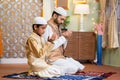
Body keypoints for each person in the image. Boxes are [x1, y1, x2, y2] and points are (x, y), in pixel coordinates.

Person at [42, 7, 85, 74]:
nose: (62, 22)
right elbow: (48, 48)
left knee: (80, 67)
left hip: (59, 57)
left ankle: (54, 68)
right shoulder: (47, 27)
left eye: (63, 20)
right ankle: (49, 69)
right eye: (61, 19)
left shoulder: (57, 27)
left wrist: (66, 38)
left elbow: (62, 48)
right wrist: (63, 37)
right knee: (74, 69)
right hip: (50, 58)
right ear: (55, 16)